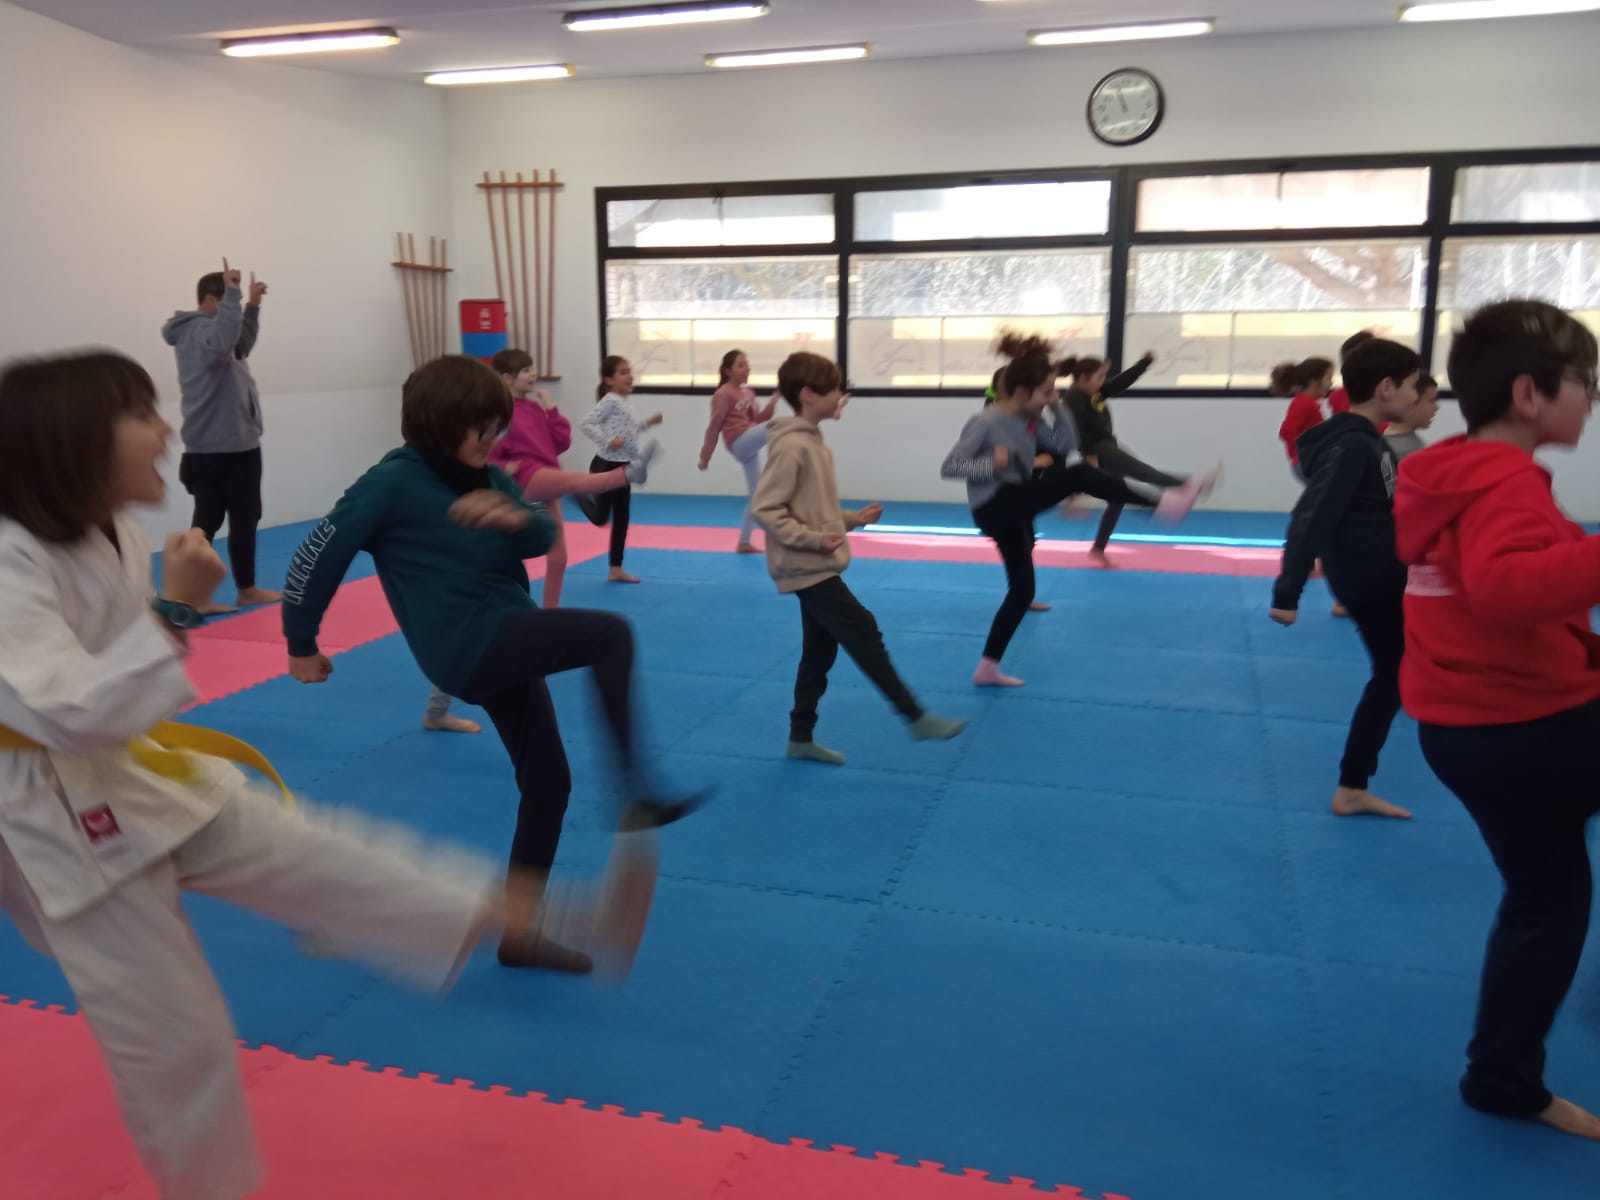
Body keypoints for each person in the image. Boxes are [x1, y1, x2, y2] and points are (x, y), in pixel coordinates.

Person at [0, 349, 658, 1200]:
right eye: (142, 415)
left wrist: (512, 518)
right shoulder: (9, 560)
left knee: (319, 851)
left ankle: (542, 914)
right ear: (73, 439)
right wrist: (206, 614)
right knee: (177, 1041)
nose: (168, 431)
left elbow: (537, 528)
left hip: (126, 772)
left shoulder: (114, 532)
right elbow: (70, 711)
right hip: (50, 826)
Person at [282, 355, 702, 974]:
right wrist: (300, 642)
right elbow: (315, 555)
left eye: (495, 426)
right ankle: (636, 790)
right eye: (480, 427)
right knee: (609, 635)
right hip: (467, 642)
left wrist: (512, 518)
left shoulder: (485, 475)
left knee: (549, 783)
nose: (491, 438)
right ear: (438, 422)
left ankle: (519, 936)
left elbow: (539, 534)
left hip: (504, 635)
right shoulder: (390, 483)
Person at [1394, 299, 1600, 1140]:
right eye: (1586, 383)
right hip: (1524, 731)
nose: (1592, 400)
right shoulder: (1503, 481)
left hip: (1467, 726)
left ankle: (1503, 1077)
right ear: (1528, 393)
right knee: (1550, 894)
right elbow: (1506, 587)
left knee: (1548, 894)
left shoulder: (1452, 473)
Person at [944, 333, 1207, 687]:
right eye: (1046, 393)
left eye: (1054, 392)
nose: (1051, 397)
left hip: (1015, 506)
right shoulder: (985, 422)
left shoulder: (1030, 421)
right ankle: (1164, 502)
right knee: (1079, 475)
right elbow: (951, 466)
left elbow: (1067, 445)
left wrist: (1056, 408)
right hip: (994, 506)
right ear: (1021, 392)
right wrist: (992, 463)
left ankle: (987, 667)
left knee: (1022, 591)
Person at [752, 351, 967, 765]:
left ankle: (800, 737)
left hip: (815, 560)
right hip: (806, 564)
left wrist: (851, 519)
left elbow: (811, 506)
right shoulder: (792, 446)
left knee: (819, 651)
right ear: (809, 395)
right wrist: (814, 539)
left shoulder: (813, 442)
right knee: (862, 628)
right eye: (835, 390)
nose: (842, 397)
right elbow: (766, 508)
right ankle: (914, 716)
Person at [1269, 338, 1423, 819]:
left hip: (1380, 569)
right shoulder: (1354, 445)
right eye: (1414, 386)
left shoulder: (1368, 439)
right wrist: (1288, 590)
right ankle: (1352, 786)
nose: (1418, 396)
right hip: (1369, 577)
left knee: (1400, 669)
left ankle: (1354, 783)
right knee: (1393, 673)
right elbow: (1312, 515)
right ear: (1386, 387)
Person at [161, 259, 279, 613]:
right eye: (227, 302)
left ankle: (195, 595)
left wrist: (253, 305)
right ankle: (243, 590)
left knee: (209, 520)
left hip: (213, 446)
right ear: (211, 300)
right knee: (237, 519)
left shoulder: (210, 336)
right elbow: (225, 339)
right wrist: (234, 295)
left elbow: (240, 344)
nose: (232, 310)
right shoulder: (202, 332)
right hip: (228, 447)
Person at [1058, 350, 1208, 566]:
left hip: (1107, 446)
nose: (1103, 381)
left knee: (1117, 497)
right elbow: (1074, 430)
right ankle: (1185, 484)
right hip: (1099, 450)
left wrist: (1143, 364)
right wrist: (1089, 455)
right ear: (1082, 378)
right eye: (1099, 376)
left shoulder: (1094, 392)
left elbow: (1118, 384)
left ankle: (1098, 548)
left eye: (1103, 376)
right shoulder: (1073, 398)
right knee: (1142, 471)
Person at [577, 355, 662, 584]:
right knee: (600, 518)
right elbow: (586, 423)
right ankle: (578, 494)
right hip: (605, 465)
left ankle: (616, 568)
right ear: (609, 380)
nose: (629, 376)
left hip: (624, 466)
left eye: (629, 371)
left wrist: (648, 422)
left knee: (622, 518)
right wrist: (607, 441)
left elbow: (630, 431)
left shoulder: (625, 403)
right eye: (623, 372)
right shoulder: (610, 401)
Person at [698, 348, 779, 554]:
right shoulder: (722, 394)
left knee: (756, 495)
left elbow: (759, 419)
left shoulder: (748, 392)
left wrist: (774, 399)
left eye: (747, 364)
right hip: (738, 442)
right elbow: (714, 426)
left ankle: (744, 542)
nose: (746, 368)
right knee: (777, 427)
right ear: (728, 371)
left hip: (749, 442)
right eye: (740, 365)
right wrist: (705, 456)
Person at [1383, 374, 1439, 462]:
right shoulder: (1404, 451)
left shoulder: (1381, 443)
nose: (1436, 407)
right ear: (1411, 400)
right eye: (1431, 400)